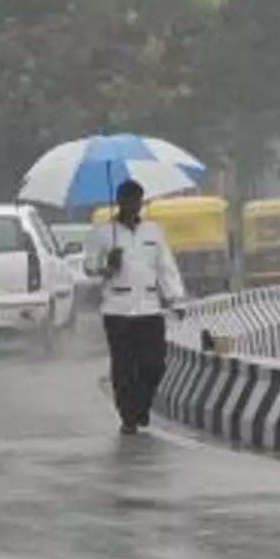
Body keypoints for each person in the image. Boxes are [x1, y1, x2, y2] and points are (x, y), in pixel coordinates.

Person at [85, 179, 186, 435]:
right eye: (128, 201)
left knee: (154, 364)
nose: (133, 206)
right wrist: (107, 266)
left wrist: (175, 298)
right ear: (119, 202)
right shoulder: (103, 234)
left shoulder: (153, 232)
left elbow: (166, 267)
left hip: (149, 309)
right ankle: (128, 416)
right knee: (123, 366)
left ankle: (142, 406)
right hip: (117, 309)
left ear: (141, 203)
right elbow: (89, 270)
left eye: (137, 201)